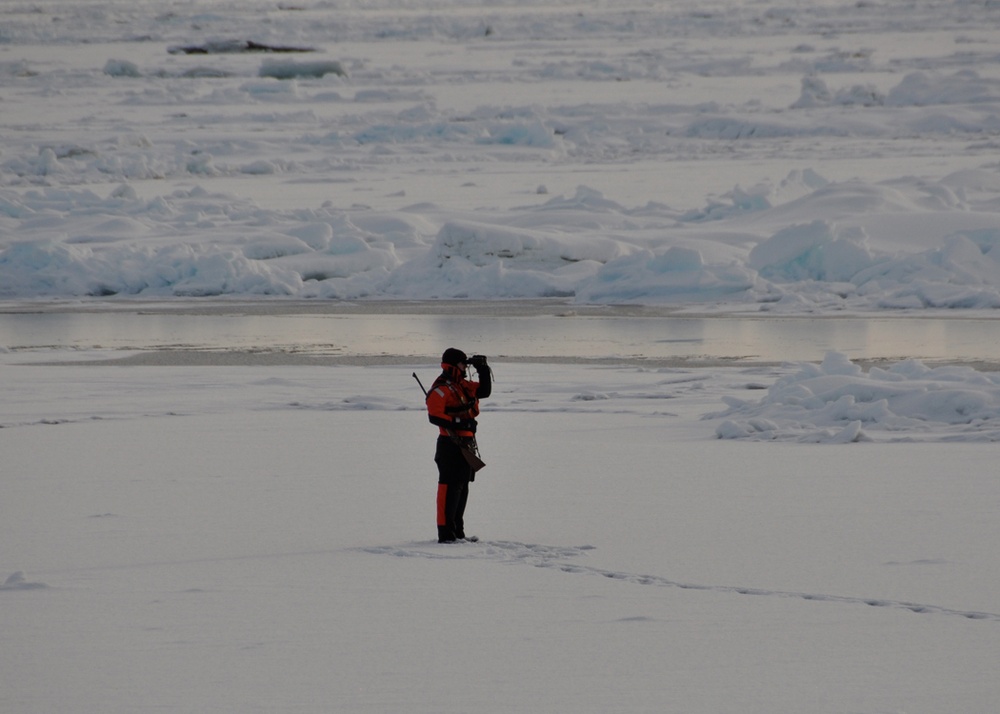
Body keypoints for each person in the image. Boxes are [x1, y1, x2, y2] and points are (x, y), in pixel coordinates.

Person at [425, 348, 492, 543]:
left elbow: (484, 391)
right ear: (454, 365)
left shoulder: (461, 385)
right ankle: (446, 534)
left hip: (465, 444)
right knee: (449, 488)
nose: (466, 367)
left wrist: (483, 369)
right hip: (449, 444)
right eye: (463, 364)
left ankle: (458, 533)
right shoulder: (441, 387)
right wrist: (462, 424)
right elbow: (434, 416)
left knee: (462, 487)